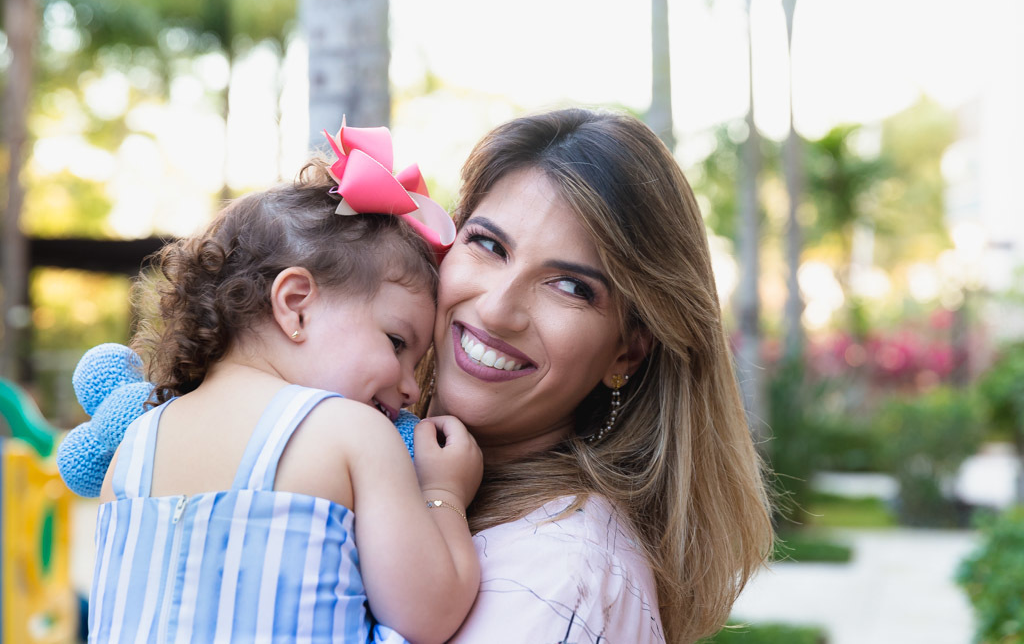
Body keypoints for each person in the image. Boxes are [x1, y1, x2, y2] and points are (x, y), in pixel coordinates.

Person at [88, 124, 481, 643]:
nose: (411, 388)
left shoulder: (132, 451)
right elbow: (429, 615)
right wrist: (443, 491)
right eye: (395, 342)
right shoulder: (353, 434)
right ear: (295, 304)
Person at [418, 108, 774, 644]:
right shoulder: (373, 453)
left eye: (569, 286)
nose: (496, 311)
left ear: (626, 353)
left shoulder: (558, 574)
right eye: (490, 245)